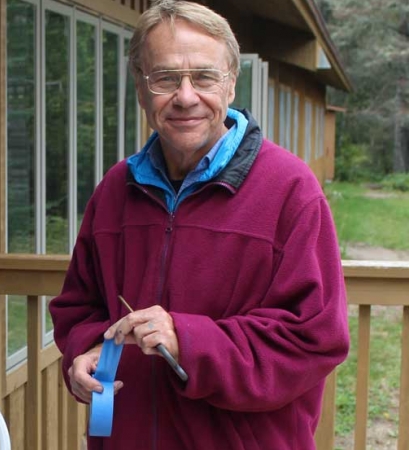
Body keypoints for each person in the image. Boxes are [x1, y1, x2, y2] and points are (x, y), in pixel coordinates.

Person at [48, 1, 350, 449]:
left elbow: (313, 340)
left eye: (204, 77)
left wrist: (186, 339)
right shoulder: (116, 190)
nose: (185, 96)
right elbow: (79, 309)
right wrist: (85, 352)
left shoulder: (290, 190)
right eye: (165, 78)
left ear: (230, 85)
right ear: (140, 87)